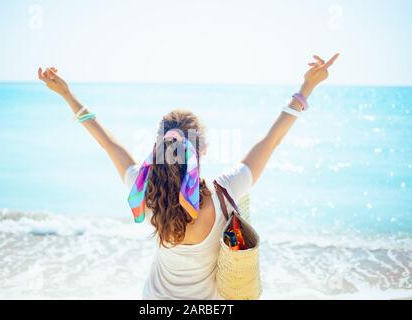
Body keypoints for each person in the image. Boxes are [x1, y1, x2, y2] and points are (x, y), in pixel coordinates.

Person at [38, 53, 339, 299]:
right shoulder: (225, 191)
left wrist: (66, 93)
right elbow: (270, 141)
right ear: (203, 149)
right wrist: (306, 87)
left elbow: (107, 142)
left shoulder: (144, 190)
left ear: (159, 146)